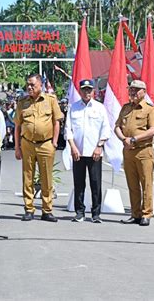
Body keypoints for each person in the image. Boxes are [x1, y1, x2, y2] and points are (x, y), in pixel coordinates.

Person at [14, 73, 63, 222]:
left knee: (46, 178)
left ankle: (47, 210)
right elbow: (17, 125)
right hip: (27, 143)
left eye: (32, 85)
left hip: (46, 143)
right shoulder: (22, 102)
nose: (29, 87)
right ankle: (29, 209)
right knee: (27, 177)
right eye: (28, 84)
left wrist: (54, 142)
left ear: (40, 85)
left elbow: (56, 122)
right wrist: (17, 147)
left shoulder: (50, 100)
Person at [64, 79, 111, 223]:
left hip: (94, 152)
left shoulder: (100, 107)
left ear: (93, 91)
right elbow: (68, 129)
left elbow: (106, 129)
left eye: (89, 90)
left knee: (95, 183)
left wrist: (99, 146)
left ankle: (96, 213)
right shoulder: (73, 107)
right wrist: (72, 147)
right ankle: (80, 212)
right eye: (84, 89)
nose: (87, 92)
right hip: (77, 151)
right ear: (80, 91)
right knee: (79, 183)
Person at [115, 80, 154, 227]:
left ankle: (146, 214)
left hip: (144, 151)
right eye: (131, 89)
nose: (132, 92)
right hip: (128, 152)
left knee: (146, 184)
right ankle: (135, 214)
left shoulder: (150, 109)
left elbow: (153, 130)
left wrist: (134, 139)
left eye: (136, 90)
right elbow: (117, 127)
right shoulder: (126, 108)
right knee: (132, 184)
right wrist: (124, 139)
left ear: (144, 92)